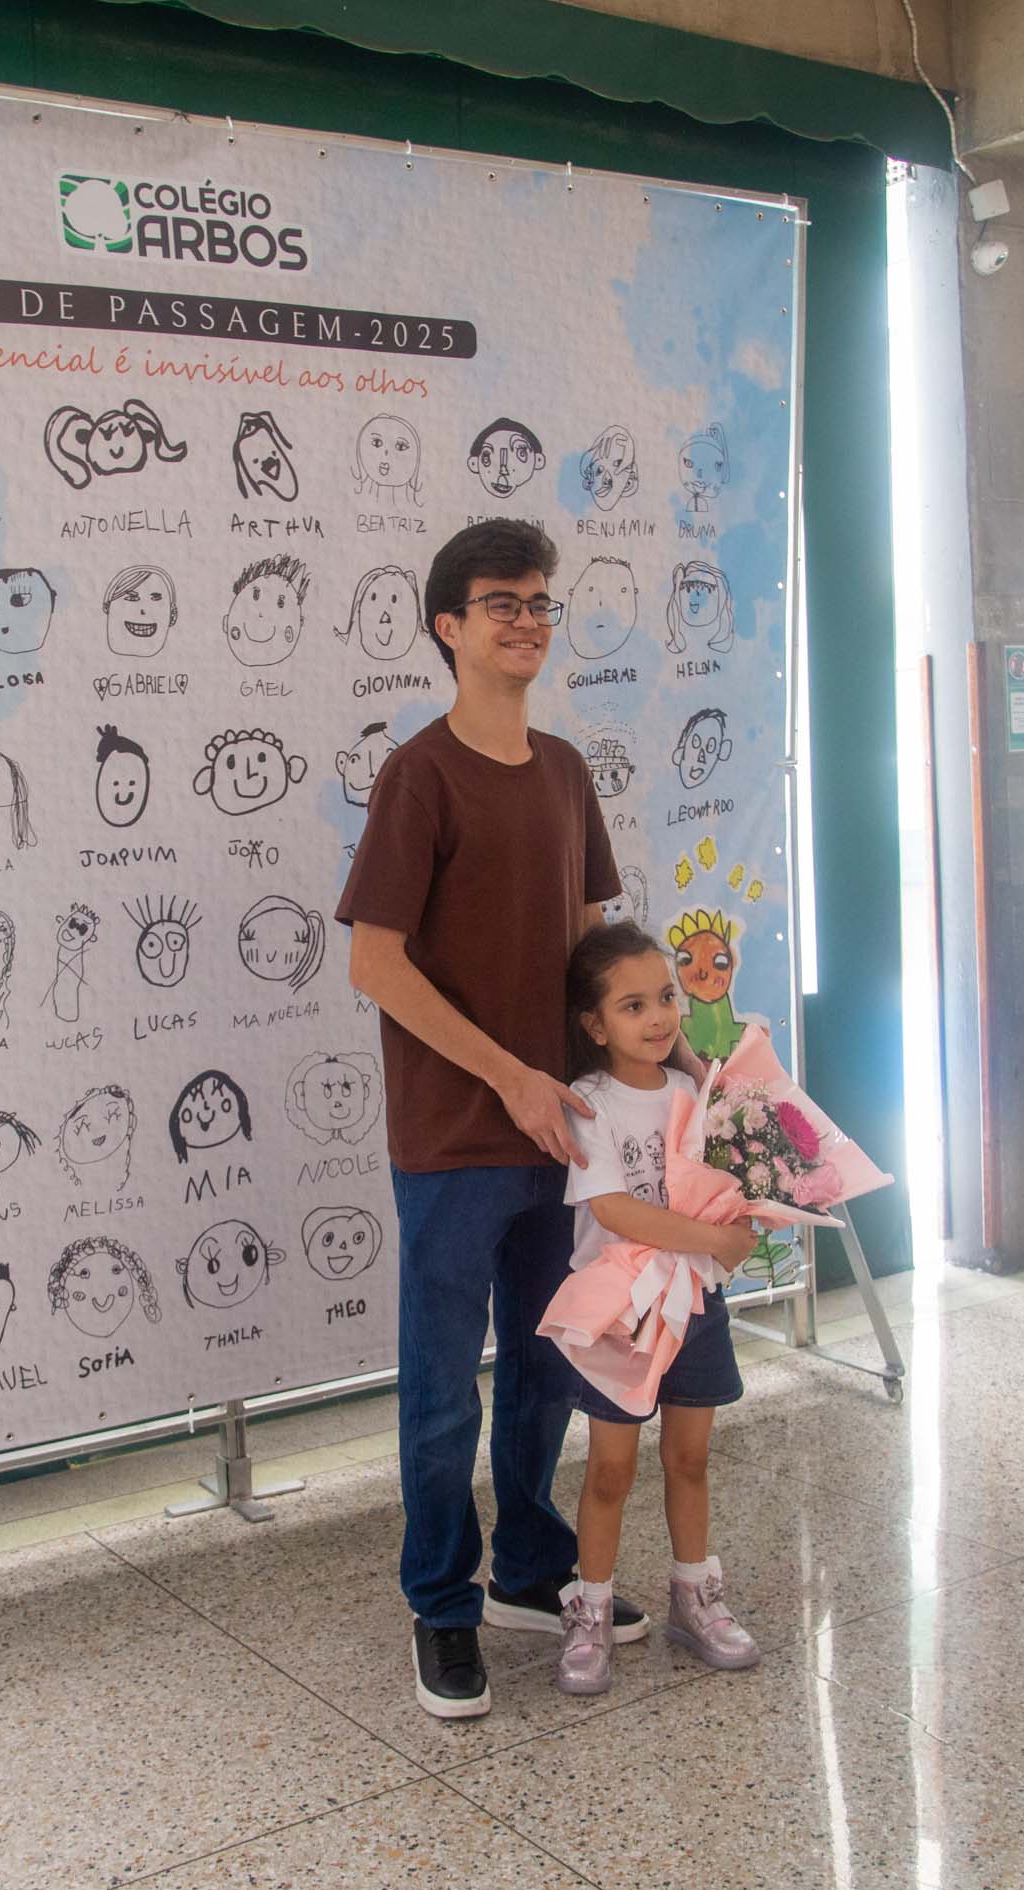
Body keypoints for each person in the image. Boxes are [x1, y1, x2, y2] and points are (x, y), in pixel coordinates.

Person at [338, 517, 658, 1720]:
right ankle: (441, 1602)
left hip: (562, 1132)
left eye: (539, 602)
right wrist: (510, 1076)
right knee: (442, 1388)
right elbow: (376, 963)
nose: (527, 621)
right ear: (449, 626)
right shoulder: (419, 775)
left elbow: (589, 950)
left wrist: (648, 1059)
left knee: (544, 1366)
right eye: (502, 603)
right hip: (454, 1138)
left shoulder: (567, 770)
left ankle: (527, 1566)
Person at [554, 920, 763, 1696]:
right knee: (611, 1468)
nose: (658, 1017)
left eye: (666, 998)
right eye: (633, 1005)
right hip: (624, 1314)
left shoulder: (692, 1093)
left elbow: (729, 1185)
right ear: (593, 1024)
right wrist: (714, 1237)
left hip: (695, 1304)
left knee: (690, 1458)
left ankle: (694, 1596)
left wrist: (753, 1217)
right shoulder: (588, 1102)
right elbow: (613, 1209)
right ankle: (591, 1611)